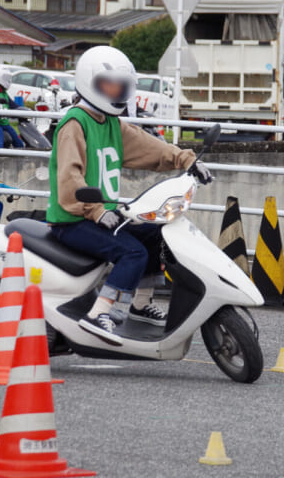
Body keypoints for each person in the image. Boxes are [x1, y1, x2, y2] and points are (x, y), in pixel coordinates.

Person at [46, 46, 212, 345]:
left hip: (102, 215)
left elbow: (149, 146)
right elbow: (70, 178)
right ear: (89, 82)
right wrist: (96, 211)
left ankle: (139, 305)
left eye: (122, 85)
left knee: (155, 234)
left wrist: (187, 160)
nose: (117, 91)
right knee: (131, 252)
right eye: (110, 84)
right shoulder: (74, 124)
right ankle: (99, 314)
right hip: (73, 220)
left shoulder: (111, 123)